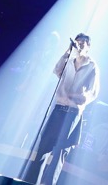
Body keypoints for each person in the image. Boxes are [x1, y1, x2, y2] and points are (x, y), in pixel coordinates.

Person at [22, 33, 100, 185]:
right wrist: (67, 51)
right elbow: (57, 71)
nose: (80, 45)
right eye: (78, 42)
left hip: (73, 112)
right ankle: (31, 182)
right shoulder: (68, 60)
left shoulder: (92, 66)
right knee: (44, 147)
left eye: (83, 43)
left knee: (60, 152)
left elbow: (93, 92)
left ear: (89, 46)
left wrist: (77, 97)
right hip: (58, 109)